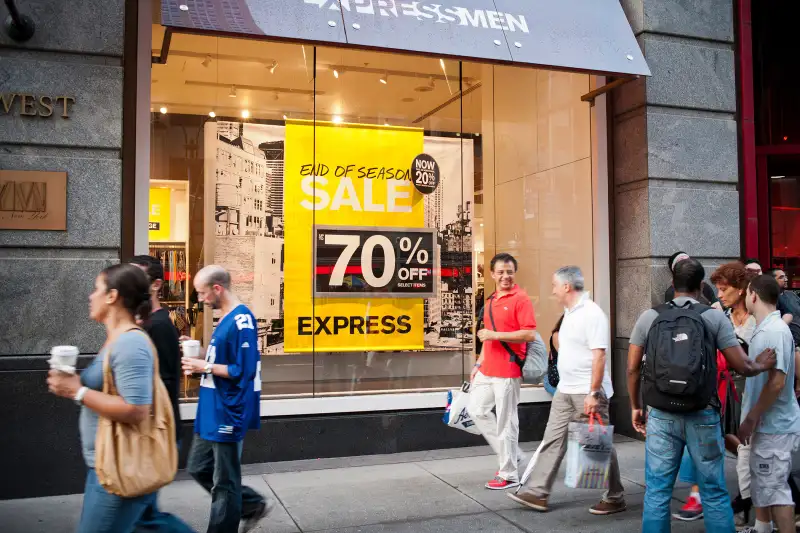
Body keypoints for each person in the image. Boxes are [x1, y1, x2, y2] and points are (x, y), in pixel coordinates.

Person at [627, 258, 776, 533]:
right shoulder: (713, 317)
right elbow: (742, 364)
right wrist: (763, 364)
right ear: (700, 286)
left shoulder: (650, 317)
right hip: (703, 413)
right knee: (713, 492)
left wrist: (636, 406)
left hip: (661, 413)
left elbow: (633, 368)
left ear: (672, 284)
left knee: (658, 492)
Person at [46, 264, 195, 533]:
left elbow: (137, 409)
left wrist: (77, 391)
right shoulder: (117, 339)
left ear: (112, 296)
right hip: (109, 464)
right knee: (148, 524)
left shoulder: (130, 343)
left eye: (96, 289)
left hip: (120, 468)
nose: (91, 296)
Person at [508, 266, 626, 515]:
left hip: (587, 392)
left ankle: (615, 496)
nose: (552, 290)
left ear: (566, 287)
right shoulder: (569, 312)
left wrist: (594, 393)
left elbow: (599, 356)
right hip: (565, 390)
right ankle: (538, 492)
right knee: (553, 439)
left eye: (554, 285)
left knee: (597, 443)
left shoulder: (592, 314)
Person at [182, 265, 270, 533]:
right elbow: (223, 363)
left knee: (224, 481)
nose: (200, 299)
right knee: (198, 467)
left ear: (217, 289)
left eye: (201, 293)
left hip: (228, 410)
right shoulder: (227, 319)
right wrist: (201, 360)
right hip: (212, 408)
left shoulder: (242, 321)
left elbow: (241, 370)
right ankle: (250, 503)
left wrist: (203, 367)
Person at [672, 262, 757, 522]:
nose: (719, 294)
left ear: (741, 290)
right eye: (717, 289)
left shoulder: (757, 319)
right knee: (722, 441)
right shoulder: (718, 314)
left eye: (723, 289)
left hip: (749, 387)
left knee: (743, 446)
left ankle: (750, 503)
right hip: (721, 386)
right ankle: (715, 497)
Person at [469, 253, 537, 490]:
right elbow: (487, 337)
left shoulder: (521, 299)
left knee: (507, 422)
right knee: (476, 409)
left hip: (508, 369)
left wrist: (495, 336)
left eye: (509, 272)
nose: (505, 276)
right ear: (492, 274)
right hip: (488, 369)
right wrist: (478, 364)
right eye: (501, 272)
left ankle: (509, 474)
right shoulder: (490, 300)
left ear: (514, 273)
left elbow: (528, 334)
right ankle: (513, 455)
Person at [738, 274, 800, 533]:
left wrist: (752, 417)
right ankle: (762, 528)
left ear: (753, 294)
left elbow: (776, 382)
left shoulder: (774, 330)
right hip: (771, 426)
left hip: (774, 426)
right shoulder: (768, 328)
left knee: (776, 493)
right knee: (767, 487)